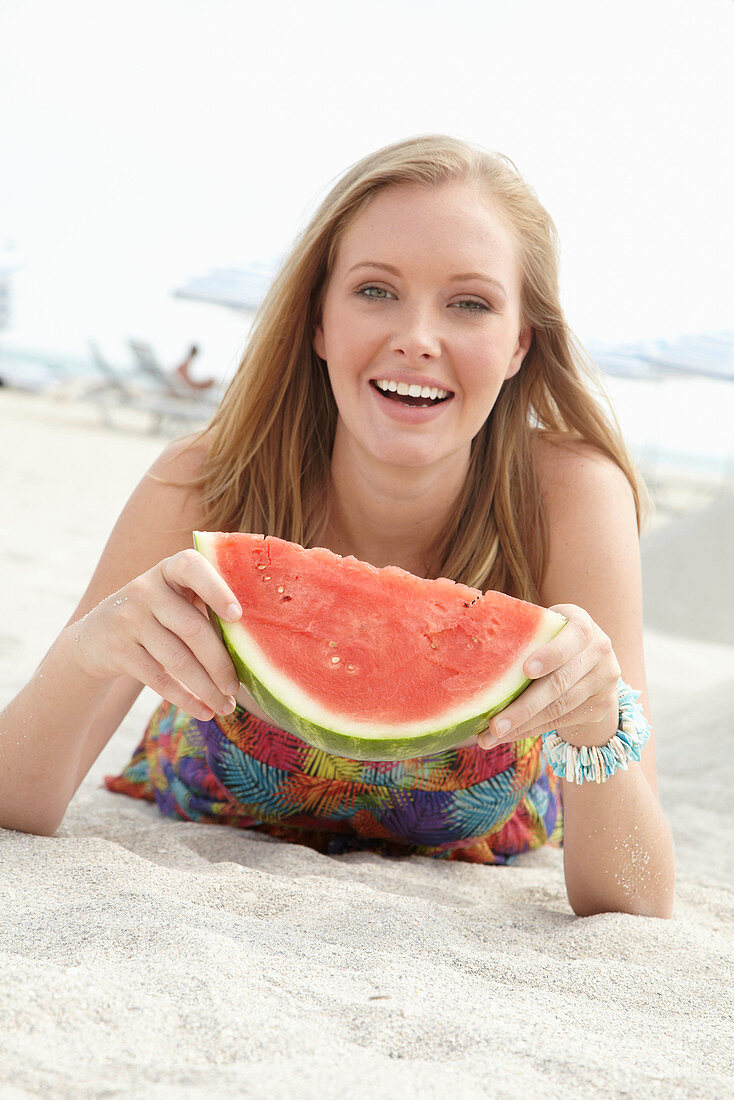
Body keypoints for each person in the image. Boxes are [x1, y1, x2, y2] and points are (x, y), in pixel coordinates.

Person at [0, 136, 674, 917]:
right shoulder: (205, 479)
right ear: (318, 319)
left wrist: (599, 725)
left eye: (469, 303)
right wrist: (92, 646)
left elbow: (634, 903)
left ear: (520, 342)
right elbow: (17, 807)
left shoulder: (571, 497)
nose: (417, 337)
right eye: (375, 291)